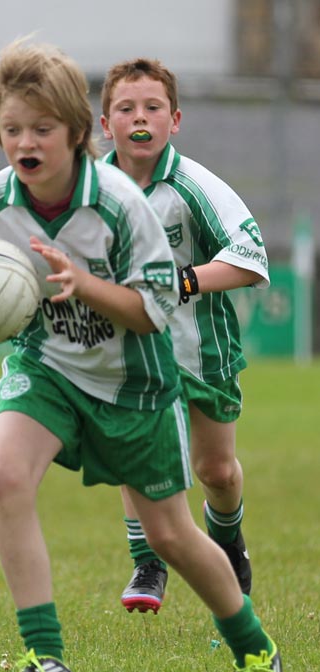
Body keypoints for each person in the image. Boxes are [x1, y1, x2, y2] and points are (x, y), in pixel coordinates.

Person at [0, 38, 282, 672]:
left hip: (133, 384)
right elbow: (17, 293)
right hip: (49, 366)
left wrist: (82, 284)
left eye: (43, 129)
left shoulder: (120, 204)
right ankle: (44, 659)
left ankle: (254, 645)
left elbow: (150, 313)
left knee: (172, 534)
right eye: (11, 129)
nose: (25, 142)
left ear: (78, 133)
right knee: (3, 474)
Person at [100, 58, 270, 616]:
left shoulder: (195, 185)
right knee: (138, 455)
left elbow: (249, 259)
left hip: (205, 351)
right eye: (126, 109)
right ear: (106, 124)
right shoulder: (92, 191)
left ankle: (228, 542)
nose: (139, 118)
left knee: (215, 471)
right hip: (133, 352)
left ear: (175, 120)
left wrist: (183, 280)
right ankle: (148, 557)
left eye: (152, 108)